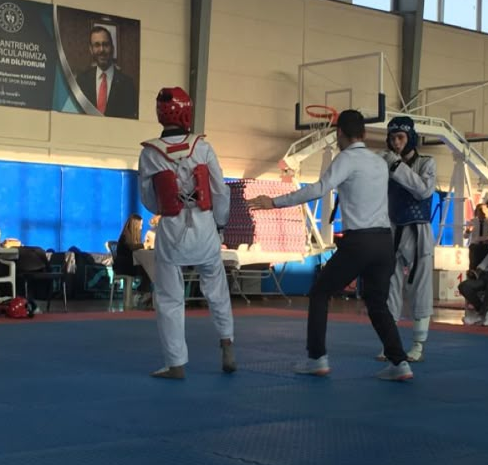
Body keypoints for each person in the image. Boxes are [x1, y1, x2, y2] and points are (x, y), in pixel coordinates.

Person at [248, 109, 412, 381]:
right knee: (377, 303)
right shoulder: (379, 163)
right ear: (364, 133)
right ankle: (400, 363)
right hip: (385, 242)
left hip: (360, 241)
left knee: (320, 293)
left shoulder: (346, 159)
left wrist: (274, 202)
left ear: (339, 134)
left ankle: (317, 358)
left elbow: (317, 189)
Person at [138, 86, 236, 379]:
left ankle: (176, 363)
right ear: (186, 111)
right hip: (205, 226)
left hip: (171, 229)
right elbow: (221, 190)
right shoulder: (202, 148)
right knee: (217, 288)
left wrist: (168, 208)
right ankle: (227, 345)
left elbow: (148, 198)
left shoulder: (149, 154)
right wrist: (219, 223)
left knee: (169, 296)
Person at [381, 115, 436, 363]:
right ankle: (390, 342)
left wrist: (396, 167)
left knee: (420, 285)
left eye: (401, 137)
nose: (396, 143)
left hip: (418, 231)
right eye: (392, 138)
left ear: (411, 138)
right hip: (393, 229)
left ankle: (418, 343)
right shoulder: (386, 162)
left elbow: (423, 190)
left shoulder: (427, 163)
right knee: (389, 285)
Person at [76, 26, 138, 119]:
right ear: (91, 49)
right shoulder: (81, 81)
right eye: (97, 45)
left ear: (112, 48)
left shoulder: (127, 84)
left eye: (105, 44)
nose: (101, 50)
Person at [114, 213, 152, 298]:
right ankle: (143, 292)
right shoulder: (125, 236)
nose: (141, 228)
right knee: (147, 269)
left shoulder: (129, 236)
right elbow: (131, 247)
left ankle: (143, 291)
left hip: (128, 264)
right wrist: (144, 245)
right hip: (124, 266)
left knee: (147, 268)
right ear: (135, 225)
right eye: (140, 225)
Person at [466, 201, 488, 270]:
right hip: (475, 246)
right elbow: (465, 236)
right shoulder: (472, 221)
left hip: (486, 246)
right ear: (477, 212)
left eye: (485, 210)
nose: (483, 212)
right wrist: (468, 231)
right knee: (473, 266)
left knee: (485, 266)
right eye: (480, 210)